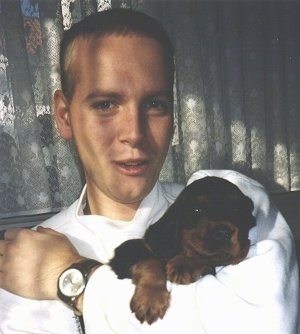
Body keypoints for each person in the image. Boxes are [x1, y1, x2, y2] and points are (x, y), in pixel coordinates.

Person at [0, 8, 298, 334]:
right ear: (64, 116)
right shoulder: (24, 260)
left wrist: (71, 275)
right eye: (105, 104)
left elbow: (267, 325)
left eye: (155, 104)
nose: (135, 133)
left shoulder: (228, 199)